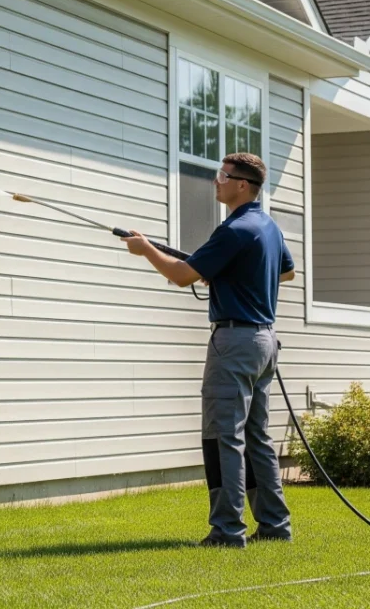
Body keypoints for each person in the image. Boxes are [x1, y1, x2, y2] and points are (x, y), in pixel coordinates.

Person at [120, 152, 294, 548]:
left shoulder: (235, 230)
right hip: (264, 341)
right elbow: (286, 271)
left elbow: (182, 276)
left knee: (223, 437)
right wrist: (236, 276)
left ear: (243, 185)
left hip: (234, 341)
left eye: (223, 175)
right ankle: (274, 526)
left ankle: (227, 531)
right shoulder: (267, 227)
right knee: (256, 438)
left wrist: (146, 249)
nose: (216, 181)